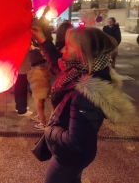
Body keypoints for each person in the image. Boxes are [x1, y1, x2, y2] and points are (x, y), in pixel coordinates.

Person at [31, 14, 136, 183]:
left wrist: (49, 130)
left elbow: (76, 142)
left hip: (70, 157)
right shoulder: (80, 71)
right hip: (74, 155)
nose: (63, 50)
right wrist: (44, 41)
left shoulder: (87, 93)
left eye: (68, 47)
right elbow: (57, 67)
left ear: (82, 54)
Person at [27, 47, 51, 130]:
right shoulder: (45, 65)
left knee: (38, 106)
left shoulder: (34, 70)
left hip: (38, 89)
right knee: (41, 103)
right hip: (45, 87)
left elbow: (30, 78)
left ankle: (43, 123)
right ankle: (39, 117)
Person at [14, 52, 33, 116]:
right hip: (22, 69)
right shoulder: (24, 44)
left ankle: (19, 106)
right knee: (22, 90)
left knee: (18, 89)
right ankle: (22, 110)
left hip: (18, 69)